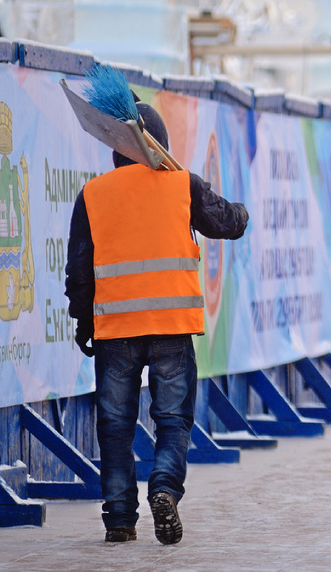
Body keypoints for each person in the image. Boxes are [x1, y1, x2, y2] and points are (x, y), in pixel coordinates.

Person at [64, 102, 248, 545]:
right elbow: (230, 223)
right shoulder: (182, 184)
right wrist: (236, 209)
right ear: (159, 146)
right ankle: (164, 487)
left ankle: (120, 519)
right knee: (172, 420)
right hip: (170, 327)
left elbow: (79, 270)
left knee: (114, 425)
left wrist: (84, 322)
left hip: (116, 332)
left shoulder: (93, 194)